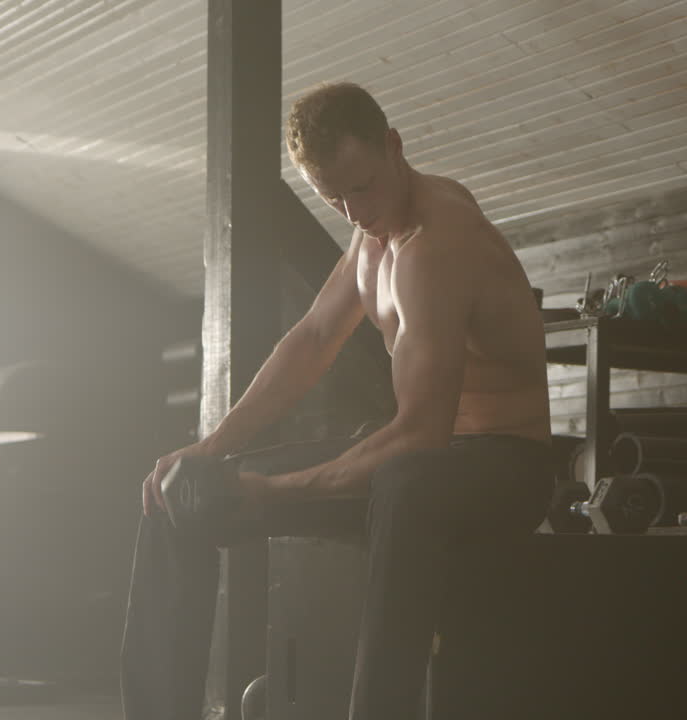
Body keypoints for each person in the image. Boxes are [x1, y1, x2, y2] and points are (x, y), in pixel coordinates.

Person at [120, 81, 554, 720]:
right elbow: (313, 339)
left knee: (405, 483)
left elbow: (423, 436)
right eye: (334, 198)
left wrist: (273, 491)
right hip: (421, 459)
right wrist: (212, 450)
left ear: (394, 146)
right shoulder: (371, 233)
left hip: (505, 465)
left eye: (363, 186)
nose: (354, 210)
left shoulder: (439, 239)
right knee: (179, 490)